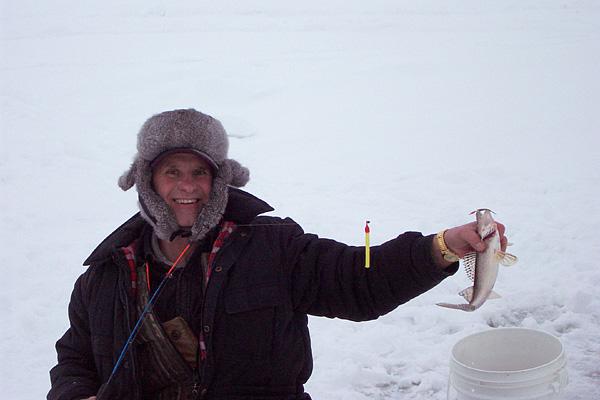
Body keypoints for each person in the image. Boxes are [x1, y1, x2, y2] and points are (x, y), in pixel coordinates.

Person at [48, 109, 508, 400]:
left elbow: (358, 281)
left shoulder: (271, 247)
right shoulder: (104, 276)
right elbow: (75, 359)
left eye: (200, 172)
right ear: (147, 180)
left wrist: (442, 247)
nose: (187, 187)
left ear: (221, 179)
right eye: (172, 172)